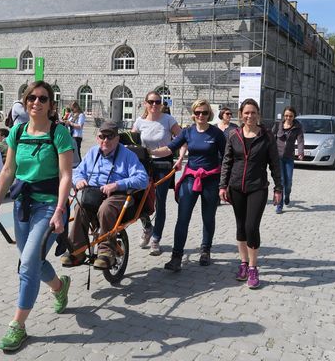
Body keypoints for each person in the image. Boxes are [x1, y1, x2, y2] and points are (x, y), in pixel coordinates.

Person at [0, 81, 74, 353]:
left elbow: (66, 176)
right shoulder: (17, 131)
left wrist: (60, 210)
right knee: (31, 259)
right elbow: (8, 171)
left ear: (51, 104)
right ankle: (59, 287)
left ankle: (18, 325)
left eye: (43, 98)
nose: (37, 102)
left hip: (49, 206)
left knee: (27, 264)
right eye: (32, 98)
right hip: (22, 204)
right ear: (25, 102)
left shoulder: (59, 133)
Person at [61, 120, 149, 269]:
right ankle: (77, 251)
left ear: (117, 138)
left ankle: (106, 252)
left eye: (110, 137)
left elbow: (142, 179)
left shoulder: (128, 155)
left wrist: (117, 185)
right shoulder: (93, 152)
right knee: (79, 208)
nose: (105, 140)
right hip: (94, 193)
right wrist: (80, 180)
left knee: (106, 208)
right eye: (102, 136)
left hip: (119, 195)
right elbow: (78, 172)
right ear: (97, 138)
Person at [152, 99, 226, 271]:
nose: (201, 115)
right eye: (198, 112)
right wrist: (150, 152)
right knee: (183, 217)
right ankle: (176, 256)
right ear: (193, 114)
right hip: (191, 178)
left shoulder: (216, 134)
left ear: (210, 114)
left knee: (208, 217)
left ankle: (205, 250)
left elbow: (226, 156)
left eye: (204, 112)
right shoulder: (187, 132)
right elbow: (170, 148)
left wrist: (225, 182)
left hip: (211, 179)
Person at [219, 98, 283, 289]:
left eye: (253, 112)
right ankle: (243, 263)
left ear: (258, 114)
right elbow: (227, 162)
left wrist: (278, 187)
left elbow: (275, 164)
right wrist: (223, 186)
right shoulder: (233, 135)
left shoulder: (267, 136)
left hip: (258, 187)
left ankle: (254, 268)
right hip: (236, 187)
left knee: (251, 227)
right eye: (246, 113)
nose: (249, 116)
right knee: (240, 227)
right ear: (241, 115)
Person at [132, 90, 184, 256]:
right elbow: (131, 143)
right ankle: (148, 226)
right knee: (138, 198)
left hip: (163, 165)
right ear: (145, 103)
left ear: (162, 104)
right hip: (144, 166)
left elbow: (183, 139)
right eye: (151, 101)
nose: (155, 105)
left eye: (158, 102)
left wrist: (180, 158)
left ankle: (156, 238)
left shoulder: (168, 120)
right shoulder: (139, 122)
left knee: (160, 203)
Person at [272, 106, 304, 213]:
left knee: (288, 182)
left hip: (289, 158)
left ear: (294, 116)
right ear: (283, 115)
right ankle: (279, 205)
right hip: (278, 158)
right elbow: (271, 139)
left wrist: (300, 152)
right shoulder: (277, 126)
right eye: (286, 115)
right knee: (280, 181)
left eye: (290, 116)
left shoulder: (297, 127)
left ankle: (288, 194)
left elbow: (300, 141)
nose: (288, 118)